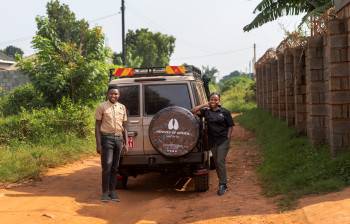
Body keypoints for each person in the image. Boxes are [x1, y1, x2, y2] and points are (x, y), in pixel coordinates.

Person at [192, 92, 234, 196]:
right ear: (209, 100)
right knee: (216, 163)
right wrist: (204, 105)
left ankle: (222, 184)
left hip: (223, 140)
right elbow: (193, 111)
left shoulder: (225, 112)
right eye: (211, 99)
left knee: (220, 161)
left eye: (216, 99)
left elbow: (230, 126)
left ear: (219, 101)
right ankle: (222, 182)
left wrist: (228, 137)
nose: (213, 101)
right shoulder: (206, 112)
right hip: (212, 141)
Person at [95, 86, 128, 202]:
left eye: (116, 94)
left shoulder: (122, 107)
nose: (113, 96)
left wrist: (126, 143)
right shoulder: (102, 107)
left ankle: (113, 192)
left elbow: (124, 126)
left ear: (119, 95)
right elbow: (97, 125)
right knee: (107, 167)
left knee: (115, 167)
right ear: (107, 94)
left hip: (119, 139)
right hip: (106, 139)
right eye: (111, 94)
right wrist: (98, 144)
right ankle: (105, 193)